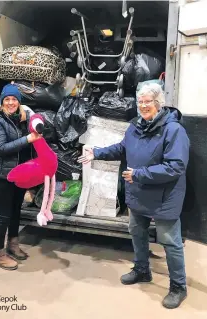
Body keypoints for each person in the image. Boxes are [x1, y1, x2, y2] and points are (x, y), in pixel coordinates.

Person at [78, 83, 190, 309]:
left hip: (164, 197)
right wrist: (96, 153)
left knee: (170, 242)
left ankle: (179, 286)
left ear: (159, 103)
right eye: (140, 102)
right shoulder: (135, 126)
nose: (143, 106)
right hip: (139, 193)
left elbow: (175, 166)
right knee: (137, 233)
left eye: (148, 101)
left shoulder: (173, 130)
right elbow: (122, 148)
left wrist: (139, 174)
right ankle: (142, 270)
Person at [0, 83, 42, 271]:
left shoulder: (21, 118)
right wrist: (27, 139)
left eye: (14, 99)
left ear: (19, 102)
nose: (11, 103)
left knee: (16, 210)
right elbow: (1, 148)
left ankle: (13, 244)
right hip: (1, 175)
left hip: (19, 174)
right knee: (3, 216)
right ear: (2, 102)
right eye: (7, 99)